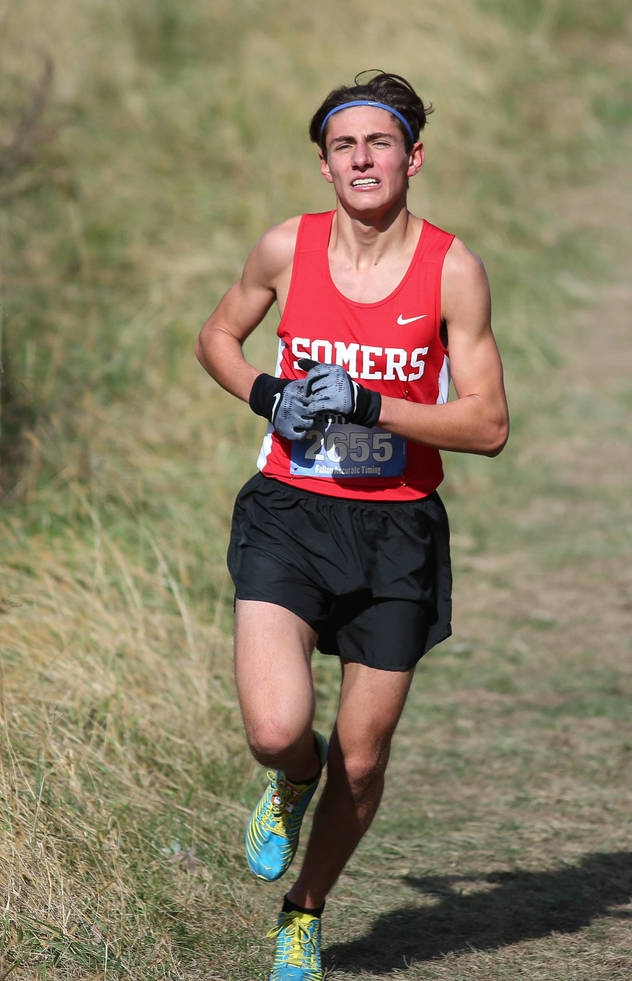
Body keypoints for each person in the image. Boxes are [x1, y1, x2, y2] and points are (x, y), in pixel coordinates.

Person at [196, 70, 509, 981]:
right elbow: (216, 337)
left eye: (380, 143)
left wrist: (375, 405)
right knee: (275, 726)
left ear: (412, 157)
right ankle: (292, 778)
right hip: (290, 512)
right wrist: (270, 392)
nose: (362, 158)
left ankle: (303, 910)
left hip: (396, 530)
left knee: (363, 760)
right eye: (345, 145)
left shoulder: (453, 269)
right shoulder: (284, 248)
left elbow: (487, 424)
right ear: (325, 164)